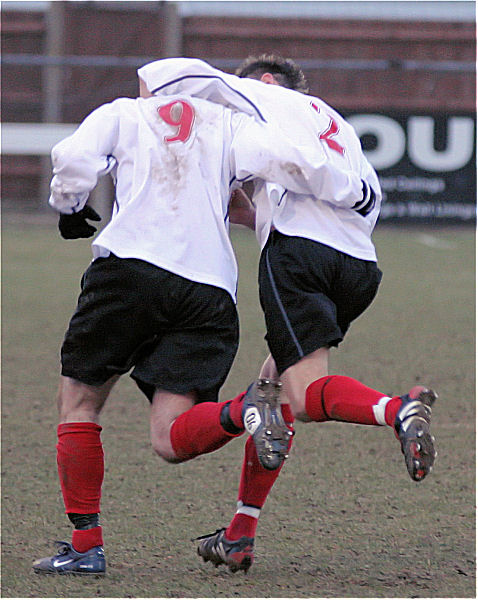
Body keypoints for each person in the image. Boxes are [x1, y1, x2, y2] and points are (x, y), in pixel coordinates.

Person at [32, 76, 373, 575]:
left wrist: (69, 205)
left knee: (79, 402)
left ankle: (86, 546)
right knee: (170, 438)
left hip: (130, 269)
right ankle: (245, 410)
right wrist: (353, 191)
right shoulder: (231, 124)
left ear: (154, 85)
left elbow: (73, 156)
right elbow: (294, 161)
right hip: (209, 291)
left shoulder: (124, 111)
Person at [137, 55, 438, 573]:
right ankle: (239, 535)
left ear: (268, 83)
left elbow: (170, 71)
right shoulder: (331, 125)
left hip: (301, 257)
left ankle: (397, 409)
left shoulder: (269, 100)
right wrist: (242, 207)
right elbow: (317, 198)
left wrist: (145, 119)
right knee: (273, 390)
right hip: (359, 267)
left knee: (302, 396)